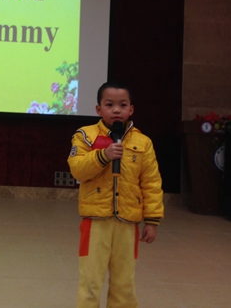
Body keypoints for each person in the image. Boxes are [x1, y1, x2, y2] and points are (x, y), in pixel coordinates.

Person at [68, 81, 164, 308]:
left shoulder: (143, 142)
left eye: (122, 105)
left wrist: (152, 221)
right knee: (90, 282)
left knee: (124, 284)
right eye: (109, 105)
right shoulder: (85, 136)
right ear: (98, 109)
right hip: (95, 221)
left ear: (131, 109)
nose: (116, 110)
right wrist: (103, 156)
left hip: (128, 222)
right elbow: (77, 169)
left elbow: (151, 182)